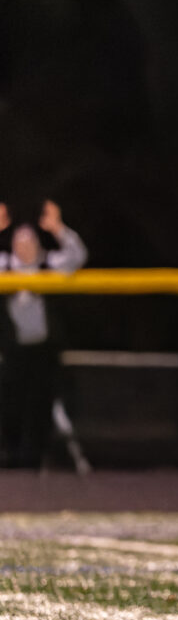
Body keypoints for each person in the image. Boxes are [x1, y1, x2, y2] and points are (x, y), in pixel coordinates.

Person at [0, 200, 88, 469]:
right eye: (19, 241)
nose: (24, 246)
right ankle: (11, 456)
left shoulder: (49, 264)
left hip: (44, 351)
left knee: (41, 404)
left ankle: (36, 458)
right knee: (9, 402)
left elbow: (77, 256)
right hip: (13, 351)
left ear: (37, 244)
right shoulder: (4, 265)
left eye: (29, 241)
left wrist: (58, 228)